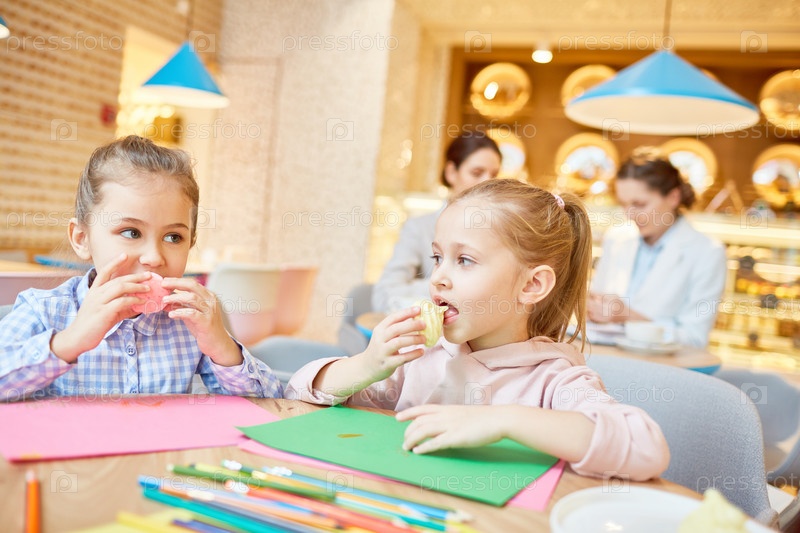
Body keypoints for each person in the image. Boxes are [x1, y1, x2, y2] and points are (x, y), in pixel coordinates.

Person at [288, 179, 669, 481]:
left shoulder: (553, 379)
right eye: (438, 257)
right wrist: (367, 365)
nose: (438, 277)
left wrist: (503, 420)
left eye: (465, 260)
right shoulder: (420, 358)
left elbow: (645, 447)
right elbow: (298, 392)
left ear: (532, 285)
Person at [0, 135, 283, 401]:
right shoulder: (44, 311)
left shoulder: (187, 321)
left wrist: (223, 348)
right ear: (82, 238)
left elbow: (269, 402)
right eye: (131, 232)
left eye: (173, 237)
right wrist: (68, 342)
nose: (154, 257)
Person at [587, 147, 727, 348]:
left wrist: (627, 316)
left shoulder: (708, 252)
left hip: (664, 365)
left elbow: (694, 338)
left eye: (640, 204)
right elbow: (597, 305)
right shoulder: (617, 237)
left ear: (673, 197)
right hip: (609, 358)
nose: (629, 215)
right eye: (624, 204)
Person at [371, 133, 502, 312]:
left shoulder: (499, 232)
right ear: (451, 173)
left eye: (494, 175)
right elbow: (384, 295)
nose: (487, 182)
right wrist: (446, 285)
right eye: (476, 173)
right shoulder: (419, 228)